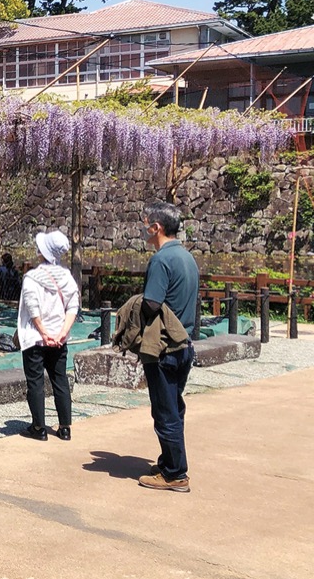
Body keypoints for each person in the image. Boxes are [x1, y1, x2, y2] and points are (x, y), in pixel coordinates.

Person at [136, 201, 199, 493]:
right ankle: (169, 462)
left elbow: (151, 303)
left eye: (146, 223)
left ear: (156, 228)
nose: (144, 229)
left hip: (163, 347)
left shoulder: (161, 260)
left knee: (165, 411)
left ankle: (175, 474)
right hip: (184, 343)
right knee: (174, 406)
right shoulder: (187, 258)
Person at [16, 230, 79, 441]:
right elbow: (73, 306)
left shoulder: (32, 277)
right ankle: (65, 427)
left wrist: (43, 332)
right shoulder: (67, 277)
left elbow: (32, 308)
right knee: (60, 379)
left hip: (35, 337)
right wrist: (61, 333)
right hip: (59, 338)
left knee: (35, 381)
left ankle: (39, 427)